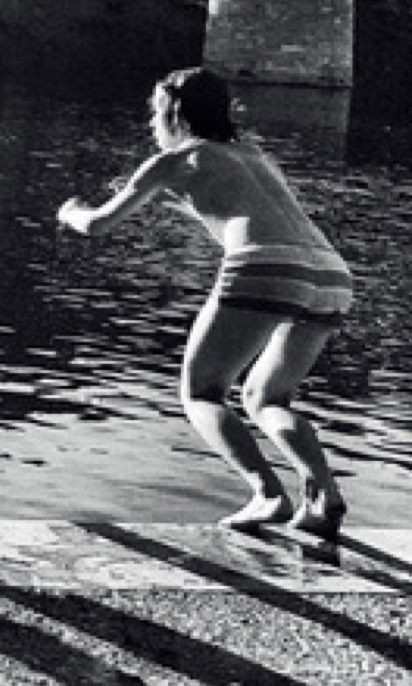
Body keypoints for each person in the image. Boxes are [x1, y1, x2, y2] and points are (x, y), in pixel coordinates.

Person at [57, 67, 352, 537]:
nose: (153, 126)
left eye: (155, 115)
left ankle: (268, 494)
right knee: (267, 398)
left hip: (266, 266)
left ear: (172, 113)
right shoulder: (254, 154)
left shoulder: (174, 161)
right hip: (331, 273)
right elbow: (240, 205)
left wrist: (70, 213)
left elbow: (99, 225)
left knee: (201, 392)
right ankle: (322, 494)